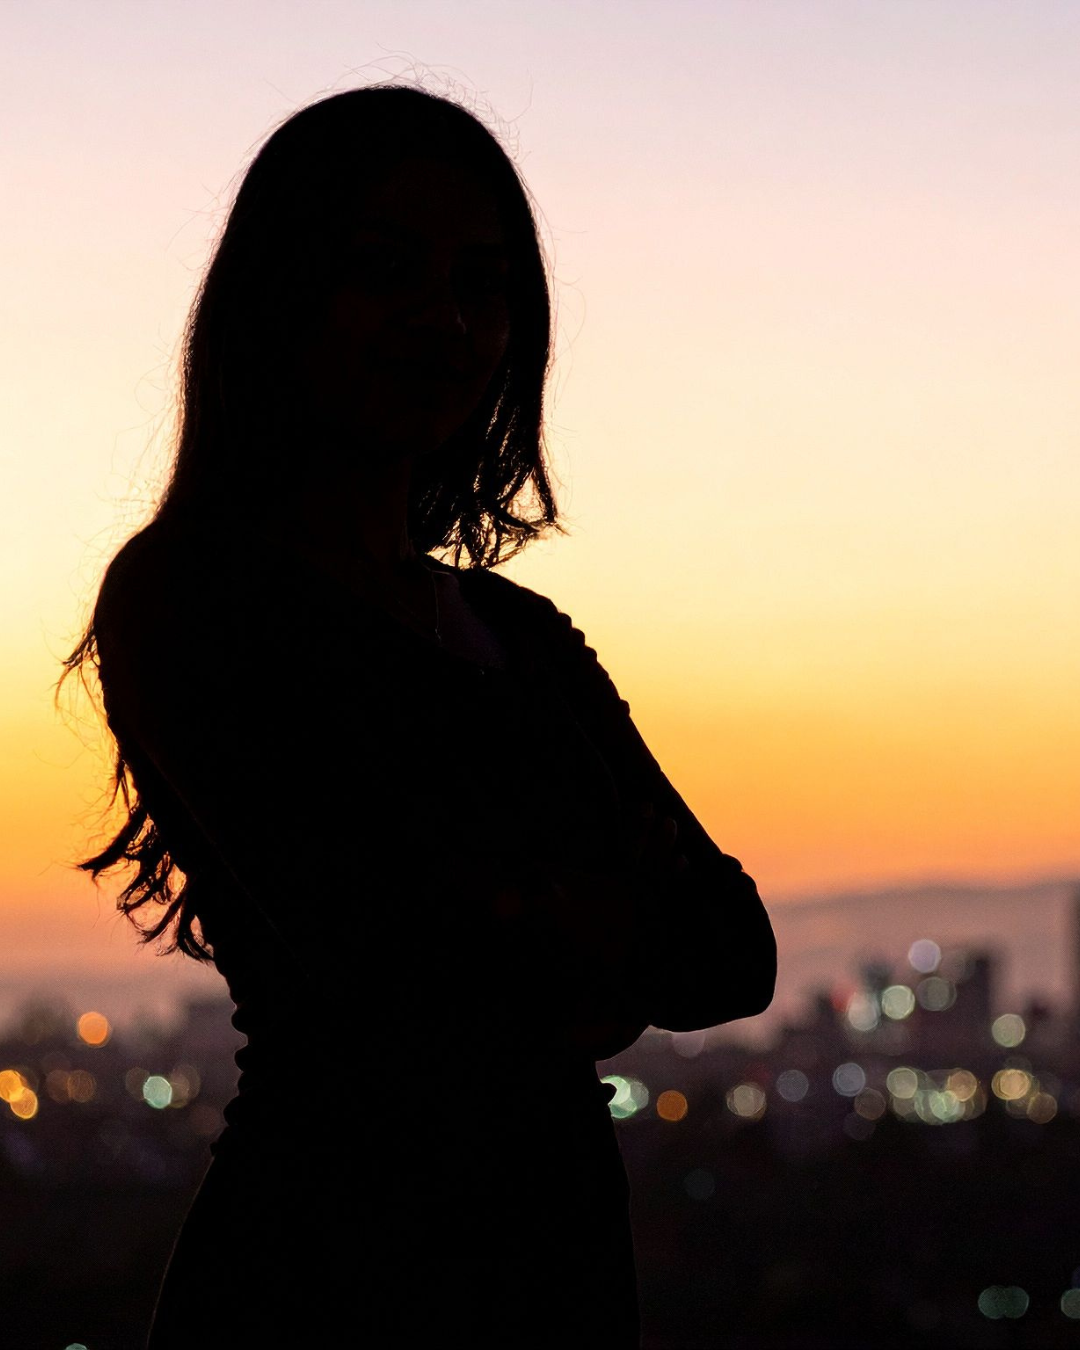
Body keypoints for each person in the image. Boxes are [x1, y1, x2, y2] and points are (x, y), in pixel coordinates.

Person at [61, 84, 777, 1348]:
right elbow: (388, 961)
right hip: (317, 1280)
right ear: (283, 297)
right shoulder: (189, 595)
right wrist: (602, 916)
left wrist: (524, 919)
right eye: (383, 269)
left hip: (558, 1281)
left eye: (481, 283)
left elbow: (733, 951)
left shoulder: (526, 639)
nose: (442, 320)